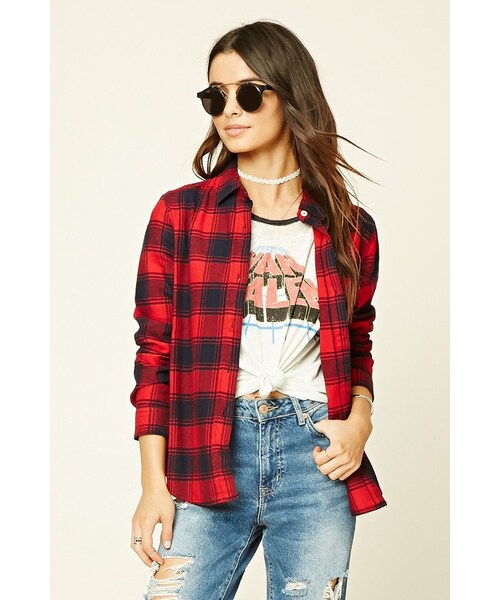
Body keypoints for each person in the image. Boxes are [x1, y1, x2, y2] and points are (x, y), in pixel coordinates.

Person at [129, 19, 387, 600]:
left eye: (248, 93)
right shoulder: (181, 215)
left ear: (289, 94)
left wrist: (360, 423)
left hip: (314, 456)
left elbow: (358, 342)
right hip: (211, 449)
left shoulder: (350, 228)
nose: (229, 110)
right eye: (215, 96)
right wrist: (153, 485)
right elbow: (155, 354)